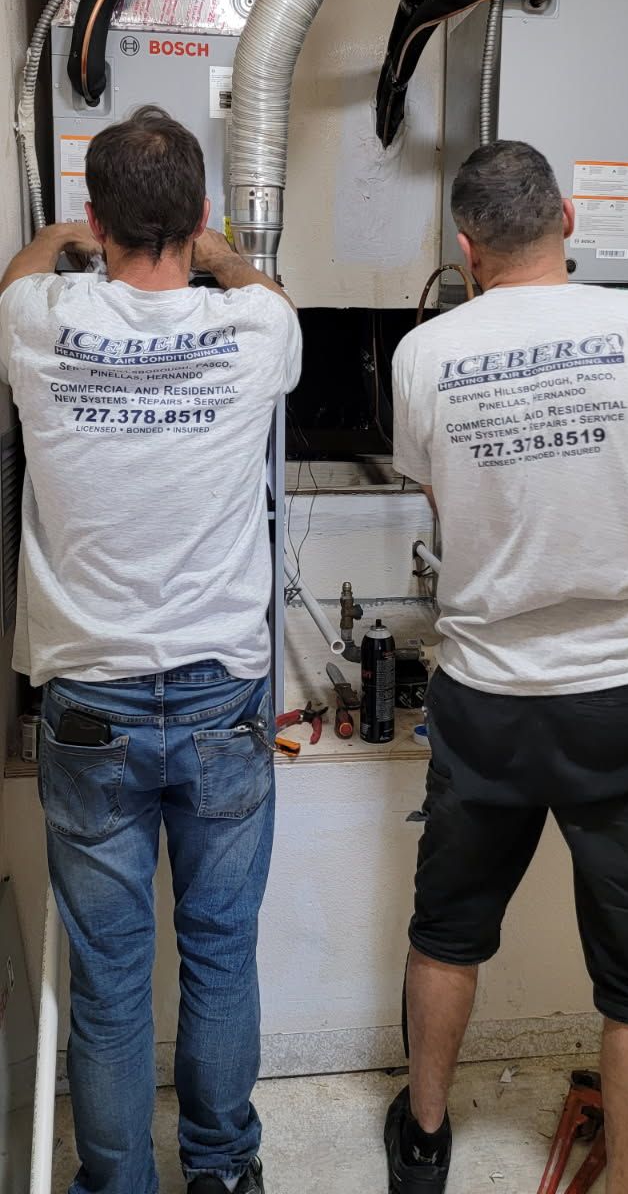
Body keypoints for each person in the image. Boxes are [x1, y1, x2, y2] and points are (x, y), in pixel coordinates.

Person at [386, 139, 628, 1194]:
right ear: (568, 219)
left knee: (448, 933)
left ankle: (424, 1139)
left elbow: (452, 507)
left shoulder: (424, 354)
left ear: (467, 245)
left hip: (489, 701)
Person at [0, 107, 301, 1194]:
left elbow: (16, 274)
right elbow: (263, 287)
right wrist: (220, 251)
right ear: (203, 213)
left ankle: (117, 1182)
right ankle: (221, 1171)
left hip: (91, 708)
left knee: (111, 976)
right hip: (222, 698)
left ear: (96, 220)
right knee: (219, 952)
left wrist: (58, 237)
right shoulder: (257, 328)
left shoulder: (39, 319)